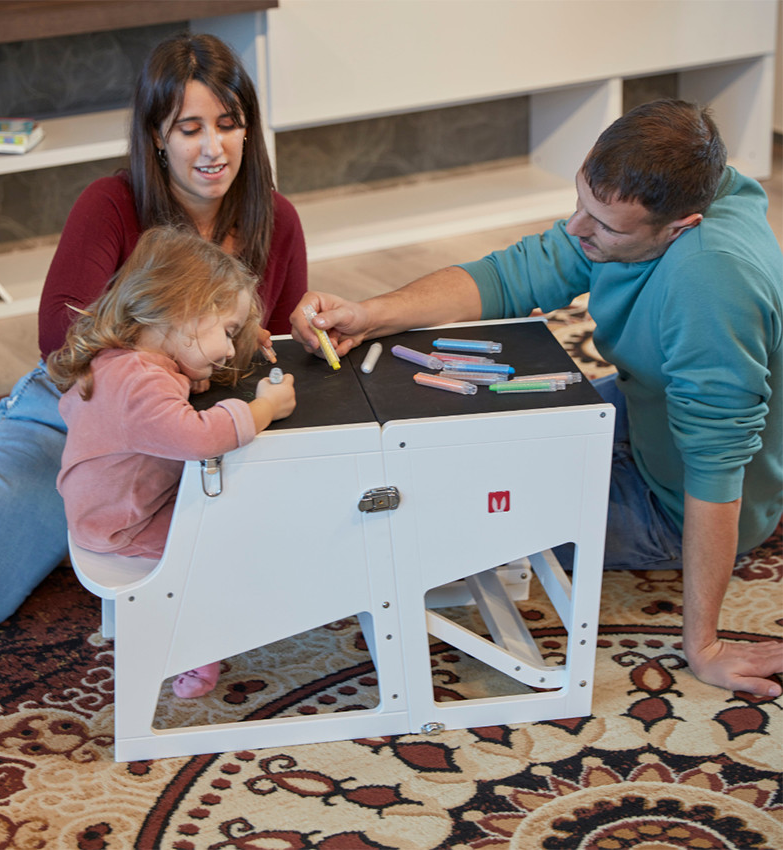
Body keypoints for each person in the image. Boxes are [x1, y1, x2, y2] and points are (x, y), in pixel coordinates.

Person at [289, 99, 783, 699]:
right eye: (580, 203)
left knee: (446, 514)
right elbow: (518, 273)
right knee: (466, 446)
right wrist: (371, 314)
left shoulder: (712, 283)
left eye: (604, 226)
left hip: (675, 500)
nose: (578, 229)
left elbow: (716, 466)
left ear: (683, 224)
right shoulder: (691, 184)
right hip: (643, 411)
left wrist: (702, 646)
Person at [0, 33, 307, 635]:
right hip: (82, 412)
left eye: (228, 123)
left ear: (247, 129)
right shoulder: (110, 202)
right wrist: (170, 342)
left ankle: (82, 520)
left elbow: (277, 344)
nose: (214, 147)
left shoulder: (275, 215)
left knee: (293, 560)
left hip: (195, 428)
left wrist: (289, 333)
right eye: (189, 128)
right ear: (158, 135)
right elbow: (59, 331)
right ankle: (67, 509)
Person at [47, 226, 296, 698]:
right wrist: (265, 409)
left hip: (106, 509)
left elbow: (135, 417)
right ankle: (196, 646)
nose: (227, 349)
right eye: (226, 331)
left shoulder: (124, 362)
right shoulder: (143, 383)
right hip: (126, 525)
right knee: (223, 542)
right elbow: (199, 437)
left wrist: (183, 381)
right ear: (181, 313)